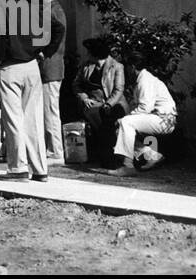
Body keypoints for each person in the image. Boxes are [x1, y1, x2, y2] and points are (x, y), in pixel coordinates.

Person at [0, 0, 48, 182]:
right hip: (32, 66)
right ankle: (40, 169)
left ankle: (18, 168)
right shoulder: (30, 9)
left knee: (14, 119)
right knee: (33, 119)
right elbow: (53, 29)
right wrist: (41, 50)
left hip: (10, 67)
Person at [108, 49, 176, 177]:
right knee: (121, 129)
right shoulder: (141, 80)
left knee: (126, 122)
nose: (126, 71)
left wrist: (125, 118)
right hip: (158, 118)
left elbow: (145, 107)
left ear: (132, 67)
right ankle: (152, 155)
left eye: (127, 67)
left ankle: (127, 165)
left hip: (163, 119)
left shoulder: (146, 80)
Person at [74, 36, 127, 149]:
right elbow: (76, 84)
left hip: (113, 103)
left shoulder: (117, 66)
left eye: (89, 52)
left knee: (107, 116)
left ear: (95, 54)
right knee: (92, 111)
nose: (87, 54)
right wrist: (84, 98)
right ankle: (105, 147)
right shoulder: (86, 66)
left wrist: (108, 104)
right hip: (93, 102)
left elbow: (118, 89)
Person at [37, 0, 68, 161]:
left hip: (50, 67)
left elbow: (57, 33)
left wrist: (44, 52)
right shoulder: (56, 8)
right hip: (51, 66)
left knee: (50, 110)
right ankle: (52, 148)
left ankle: (56, 150)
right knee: (48, 109)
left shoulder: (52, 10)